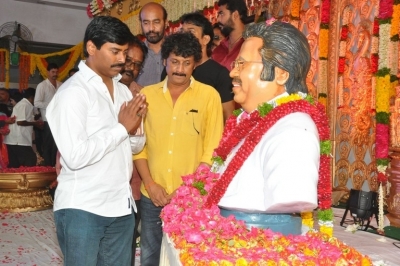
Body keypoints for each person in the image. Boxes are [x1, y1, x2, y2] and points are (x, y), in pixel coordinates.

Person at [46, 16, 147, 265]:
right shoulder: (72, 93)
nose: (122, 60)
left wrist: (134, 132)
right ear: (91, 48)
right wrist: (121, 128)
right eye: (115, 51)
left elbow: (134, 147)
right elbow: (76, 156)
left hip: (121, 208)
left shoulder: (124, 91)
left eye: (124, 52)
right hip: (84, 208)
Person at [206, 20, 319, 235]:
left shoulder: (294, 130)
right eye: (235, 65)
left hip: (259, 237)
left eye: (242, 65)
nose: (232, 73)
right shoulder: (246, 121)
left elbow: (291, 195)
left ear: (280, 74)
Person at [134, 32, 223, 265]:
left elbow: (212, 151)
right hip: (152, 195)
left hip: (192, 199)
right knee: (150, 257)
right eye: (174, 62)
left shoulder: (209, 96)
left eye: (186, 63)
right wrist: (151, 185)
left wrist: (186, 191)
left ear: (195, 64)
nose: (180, 69)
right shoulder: (147, 96)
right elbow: (138, 147)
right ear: (165, 61)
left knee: (187, 258)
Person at [161, 12, 235, 122]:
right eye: (182, 31)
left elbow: (229, 117)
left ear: (205, 39)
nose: (184, 36)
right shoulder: (171, 69)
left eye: (191, 32)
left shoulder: (220, 74)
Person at [117, 34, 148, 266]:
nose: (132, 67)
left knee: (126, 244)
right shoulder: (99, 90)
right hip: (98, 189)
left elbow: (139, 142)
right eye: (129, 60)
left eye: (138, 64)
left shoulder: (140, 96)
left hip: (131, 186)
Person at [4, 88, 43, 168]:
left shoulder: (27, 104)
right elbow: (20, 122)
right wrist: (35, 124)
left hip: (16, 140)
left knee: (15, 165)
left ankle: (16, 180)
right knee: (30, 161)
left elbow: (29, 118)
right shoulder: (24, 104)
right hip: (18, 140)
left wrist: (39, 116)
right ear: (33, 97)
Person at [34, 62, 62, 166]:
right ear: (48, 72)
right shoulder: (42, 85)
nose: (55, 74)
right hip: (48, 120)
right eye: (53, 72)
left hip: (59, 119)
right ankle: (47, 166)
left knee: (57, 144)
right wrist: (52, 105)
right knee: (48, 144)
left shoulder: (61, 84)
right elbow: (37, 102)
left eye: (56, 72)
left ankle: (56, 166)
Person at [136, 2, 168, 87]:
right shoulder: (134, 54)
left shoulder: (176, 50)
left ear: (166, 23)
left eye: (156, 22)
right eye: (146, 23)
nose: (151, 28)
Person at [212, 0, 247, 71]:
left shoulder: (251, 45)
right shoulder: (218, 50)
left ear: (235, 15)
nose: (218, 19)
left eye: (221, 14)